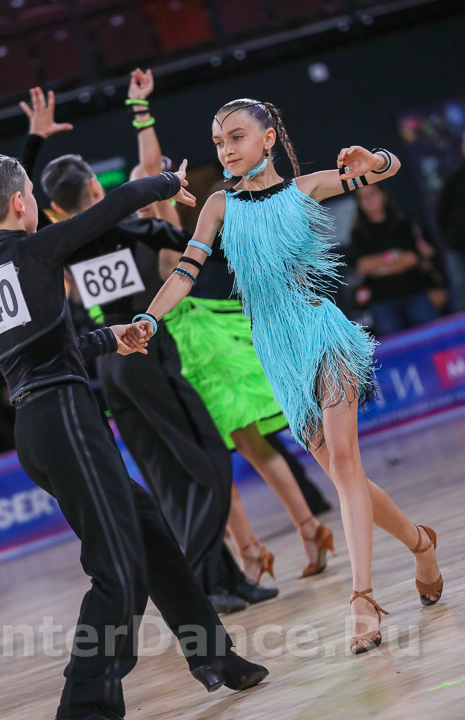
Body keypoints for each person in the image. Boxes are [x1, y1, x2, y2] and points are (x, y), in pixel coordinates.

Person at [0, 151, 268, 720]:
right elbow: (116, 204)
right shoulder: (35, 250)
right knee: (118, 572)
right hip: (68, 422)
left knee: (151, 535)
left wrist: (110, 337)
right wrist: (168, 182)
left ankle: (215, 657)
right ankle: (83, 703)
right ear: (21, 203)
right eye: (31, 191)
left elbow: (40, 356)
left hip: (40, 427)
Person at [127, 98, 444, 655]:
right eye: (219, 141)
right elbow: (184, 273)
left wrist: (376, 158)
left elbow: (385, 169)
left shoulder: (306, 188)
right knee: (344, 476)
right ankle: (421, 544)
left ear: (268, 138)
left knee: (344, 461)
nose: (226, 149)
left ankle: (362, 598)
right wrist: (149, 318)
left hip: (324, 333)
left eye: (237, 136)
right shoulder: (219, 205)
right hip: (276, 353)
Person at [20, 86, 276, 612]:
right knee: (210, 465)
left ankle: (226, 580)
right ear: (97, 185)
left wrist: (33, 142)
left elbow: (13, 202)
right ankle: (204, 582)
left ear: (55, 208)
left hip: (109, 371)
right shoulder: (141, 231)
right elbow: (207, 253)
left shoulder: (61, 247)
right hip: (150, 356)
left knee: (168, 480)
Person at [128, 69, 335, 583]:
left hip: (193, 338)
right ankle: (270, 541)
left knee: (234, 444)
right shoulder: (110, 230)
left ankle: (277, 539)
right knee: (223, 449)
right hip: (162, 345)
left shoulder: (156, 210)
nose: (138, 188)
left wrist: (141, 111)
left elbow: (149, 166)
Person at [348, 183, 438, 336]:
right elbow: (362, 266)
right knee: (393, 344)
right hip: (381, 300)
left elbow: (411, 258)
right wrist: (394, 257)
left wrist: (379, 267)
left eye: (372, 194)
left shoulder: (403, 224)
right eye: (362, 197)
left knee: (432, 336)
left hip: (414, 292)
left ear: (383, 195)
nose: (368, 200)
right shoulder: (358, 233)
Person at [438, 129, 465, 312]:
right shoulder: (455, 180)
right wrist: (452, 239)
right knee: (461, 294)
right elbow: (441, 214)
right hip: (459, 248)